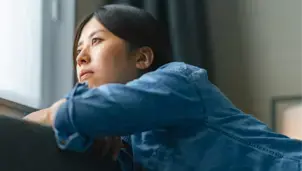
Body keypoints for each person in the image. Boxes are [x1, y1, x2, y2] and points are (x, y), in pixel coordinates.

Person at [24, 4, 302, 171]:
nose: (81, 58)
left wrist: (54, 113)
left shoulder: (178, 80)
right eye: (78, 51)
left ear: (143, 57)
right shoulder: (126, 142)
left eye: (96, 41)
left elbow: (76, 113)